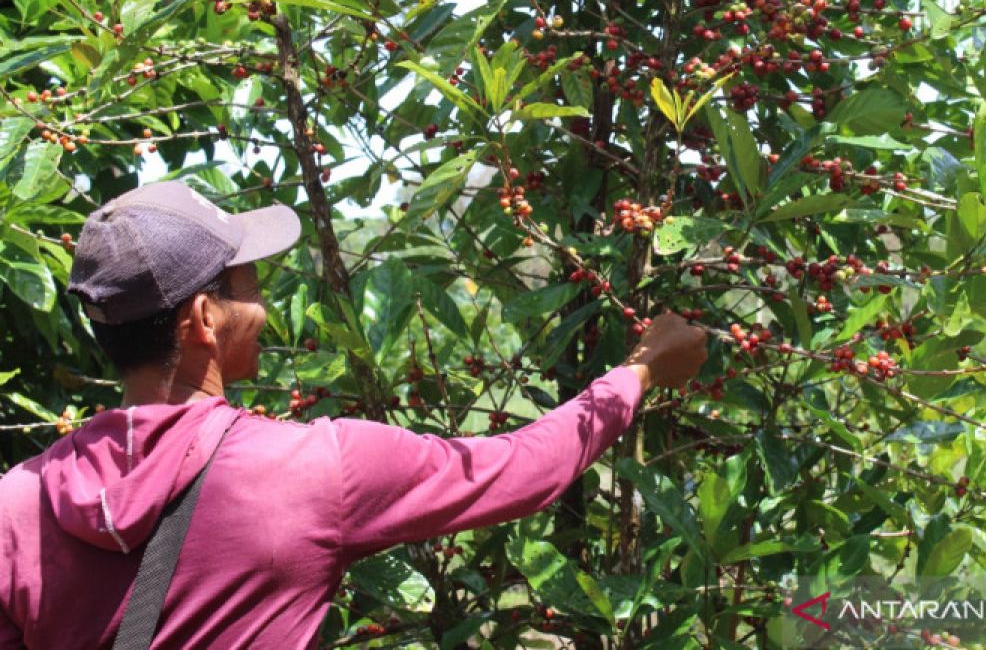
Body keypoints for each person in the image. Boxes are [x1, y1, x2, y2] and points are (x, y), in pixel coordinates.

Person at [0, 181, 707, 648]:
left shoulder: (18, 502)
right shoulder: (312, 471)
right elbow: (523, 469)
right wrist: (641, 371)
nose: (264, 306)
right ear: (204, 319)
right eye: (250, 285)